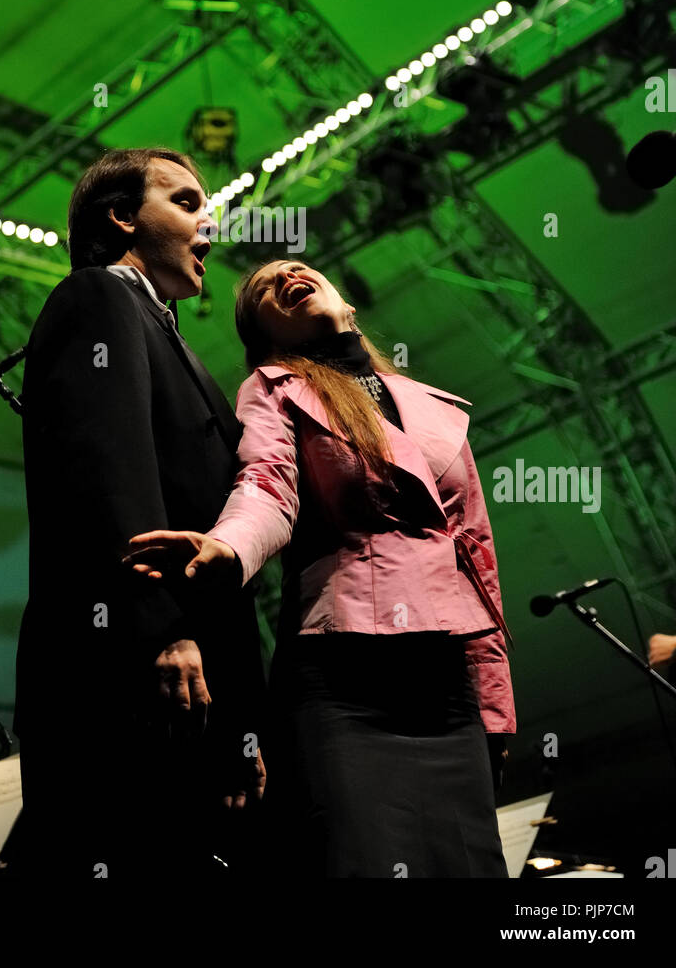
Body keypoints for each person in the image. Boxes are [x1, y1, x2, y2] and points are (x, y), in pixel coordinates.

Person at [125, 258, 516, 878]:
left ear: (348, 305)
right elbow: (266, 487)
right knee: (359, 859)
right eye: (263, 289)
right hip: (344, 673)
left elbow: (478, 559)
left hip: (448, 686)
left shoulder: (432, 406)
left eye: (298, 267)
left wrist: (495, 706)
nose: (284, 275)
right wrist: (227, 548)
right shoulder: (273, 388)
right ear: (265, 337)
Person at [12, 148, 266, 879]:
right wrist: (160, 628)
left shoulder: (167, 337)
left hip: (195, 685)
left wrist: (244, 730)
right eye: (186, 203)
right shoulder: (98, 296)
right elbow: (105, 469)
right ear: (122, 216)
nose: (208, 227)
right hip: (125, 670)